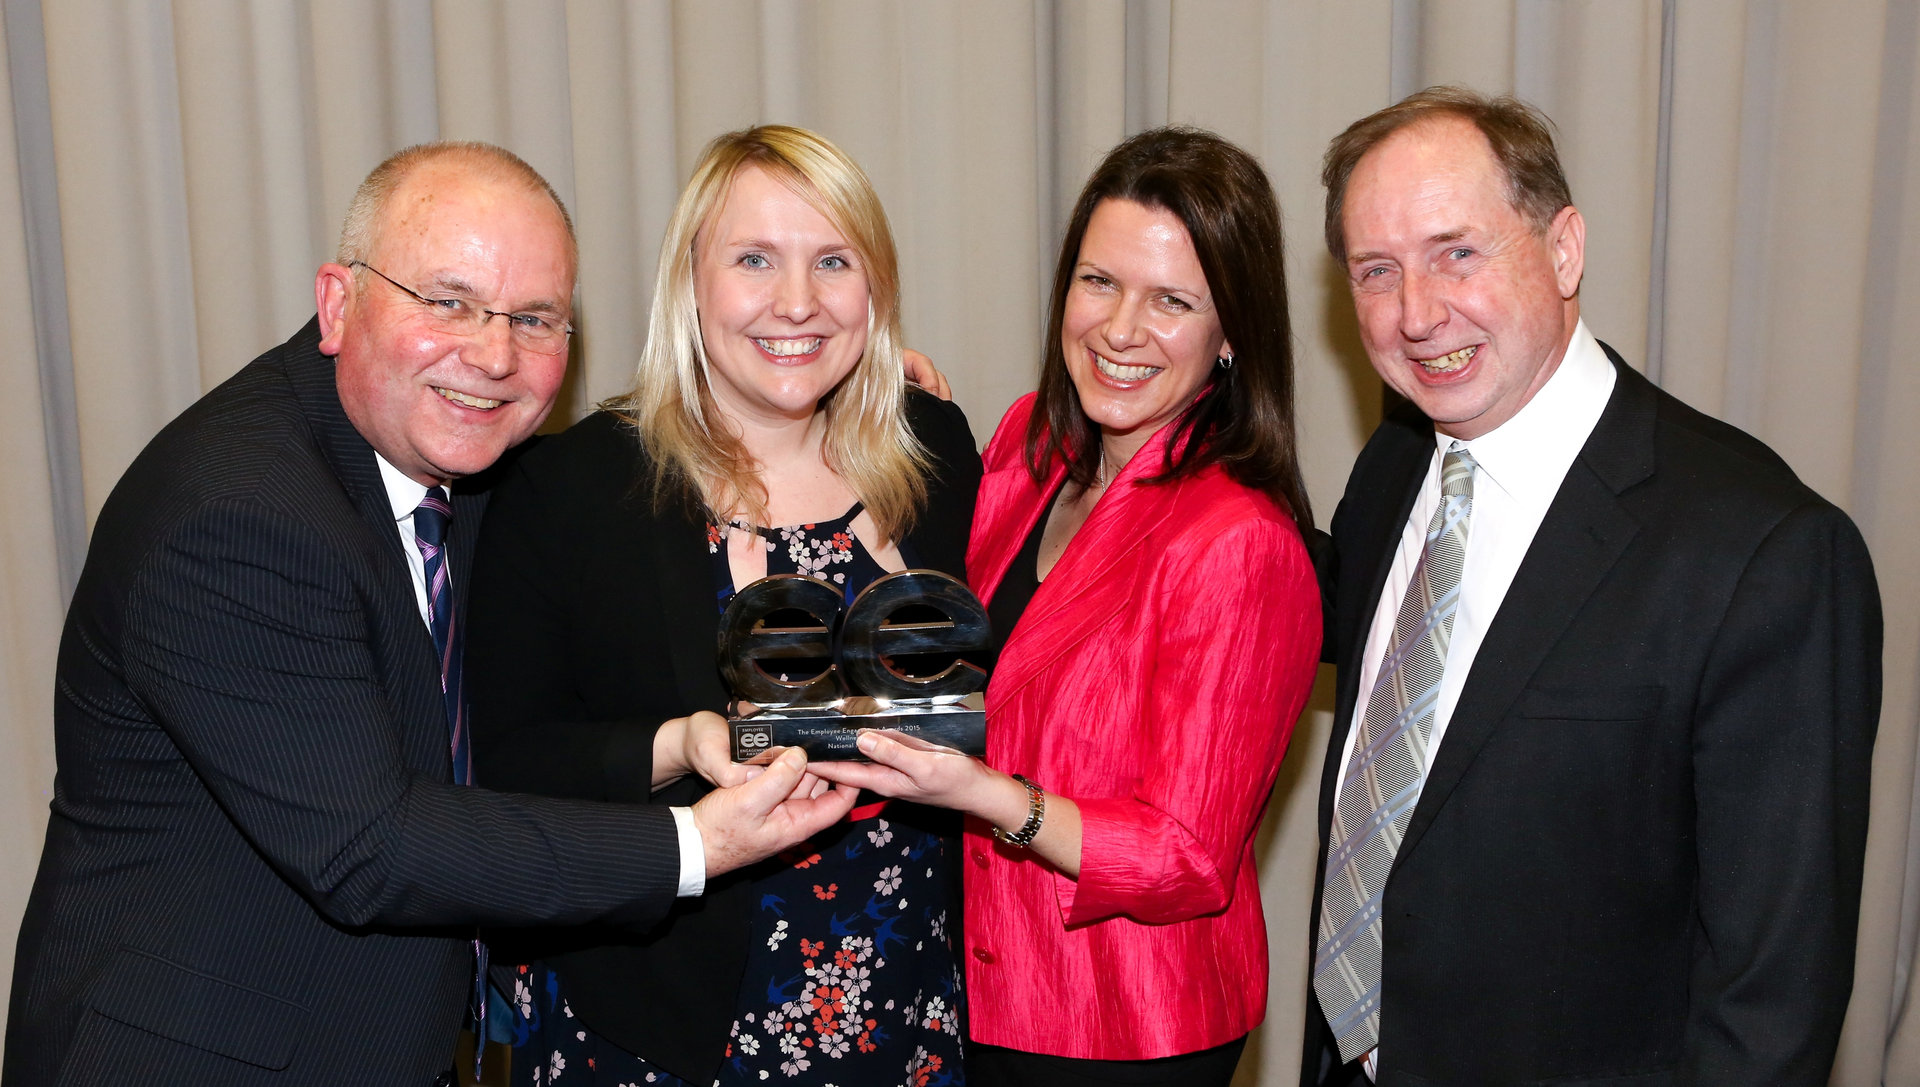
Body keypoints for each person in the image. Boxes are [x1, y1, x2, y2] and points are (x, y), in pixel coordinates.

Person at [3, 141, 862, 1087]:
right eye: (447, 302)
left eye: (535, 318)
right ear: (339, 304)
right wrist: (703, 840)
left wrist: (830, 388)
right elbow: (370, 847)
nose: (493, 356)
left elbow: (626, 464)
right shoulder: (241, 517)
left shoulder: (447, 456)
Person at [1301, 88, 1882, 1087]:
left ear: (1564, 248)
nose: (1417, 312)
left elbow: (1771, 1008)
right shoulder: (1394, 471)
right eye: (1376, 271)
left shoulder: (1764, 554)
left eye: (1457, 252)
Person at [464, 125, 981, 1087]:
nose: (798, 302)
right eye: (754, 259)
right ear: (690, 283)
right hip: (662, 1021)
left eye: (833, 261)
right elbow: (504, 759)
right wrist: (682, 740)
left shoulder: (936, 451)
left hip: (906, 999)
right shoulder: (576, 487)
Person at [810, 126, 1323, 1087]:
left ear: (1231, 337)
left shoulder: (1240, 542)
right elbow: (932, 619)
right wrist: (878, 404)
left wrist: (986, 795)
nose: (1121, 329)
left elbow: (1186, 857)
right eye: (1099, 283)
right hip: (976, 981)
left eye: (1172, 301)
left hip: (1123, 1025)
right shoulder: (1029, 445)